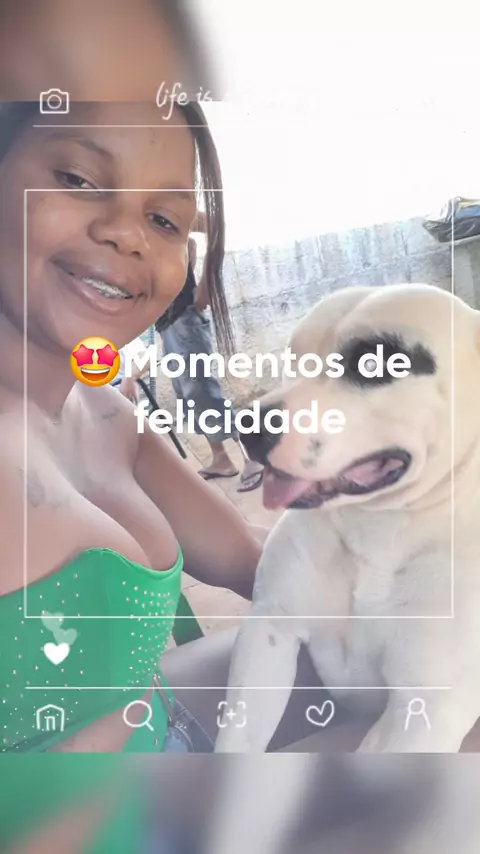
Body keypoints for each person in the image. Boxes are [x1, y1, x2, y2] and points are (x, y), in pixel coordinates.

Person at [157, 234, 264, 491]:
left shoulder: (174, 240)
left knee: (202, 393)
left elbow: (196, 242)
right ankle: (221, 459)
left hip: (184, 322)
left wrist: (200, 283)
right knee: (188, 396)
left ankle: (252, 458)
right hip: (168, 326)